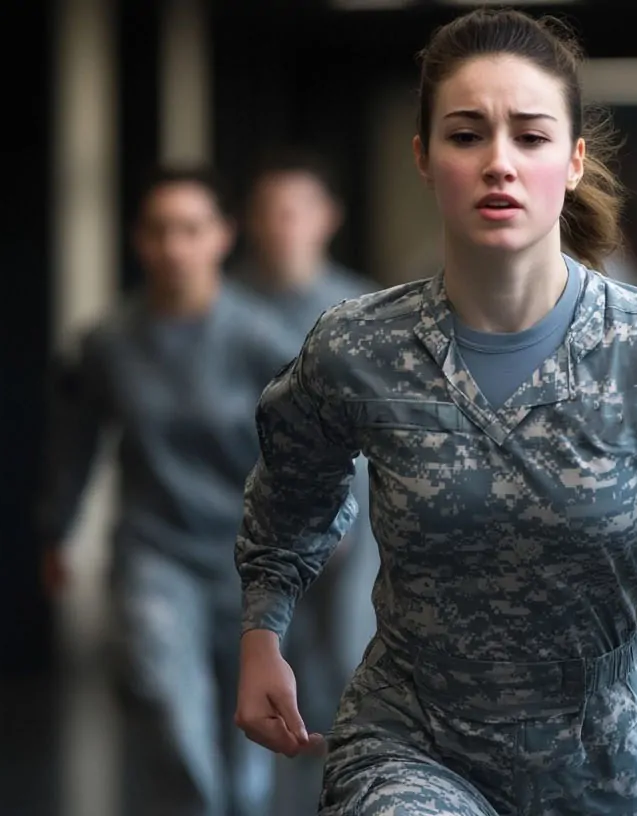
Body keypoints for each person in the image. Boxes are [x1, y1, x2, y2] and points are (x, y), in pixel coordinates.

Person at [231, 10, 637, 816]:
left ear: (576, 160)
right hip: (411, 742)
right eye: (466, 135)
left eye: (531, 136)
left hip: (604, 759)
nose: (499, 164)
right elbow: (288, 492)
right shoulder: (356, 348)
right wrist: (262, 635)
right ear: (423, 157)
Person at [38, 166, 289, 816]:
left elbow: (312, 450)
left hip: (250, 557)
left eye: (191, 229)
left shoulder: (262, 339)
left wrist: (323, 534)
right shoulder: (108, 345)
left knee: (249, 731)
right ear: (137, 241)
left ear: (222, 237)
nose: (175, 246)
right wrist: (56, 530)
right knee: (165, 696)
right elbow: (75, 445)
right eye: (158, 231)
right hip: (156, 552)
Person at [230, 152, 381, 815]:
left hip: (355, 514)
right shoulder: (226, 309)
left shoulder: (360, 309)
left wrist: (340, 520)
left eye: (294, 211)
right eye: (267, 212)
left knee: (346, 655)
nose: (280, 226)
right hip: (251, 520)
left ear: (326, 220)